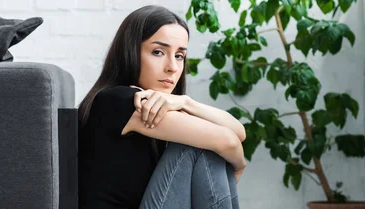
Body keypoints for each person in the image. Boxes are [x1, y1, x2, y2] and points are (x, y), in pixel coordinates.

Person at [77, 5, 247, 209]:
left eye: (179, 56)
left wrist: (185, 101)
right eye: (158, 52)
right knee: (199, 145)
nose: (172, 68)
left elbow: (239, 132)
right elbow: (228, 141)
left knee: (203, 137)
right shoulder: (120, 100)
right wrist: (240, 166)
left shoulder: (155, 104)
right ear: (130, 52)